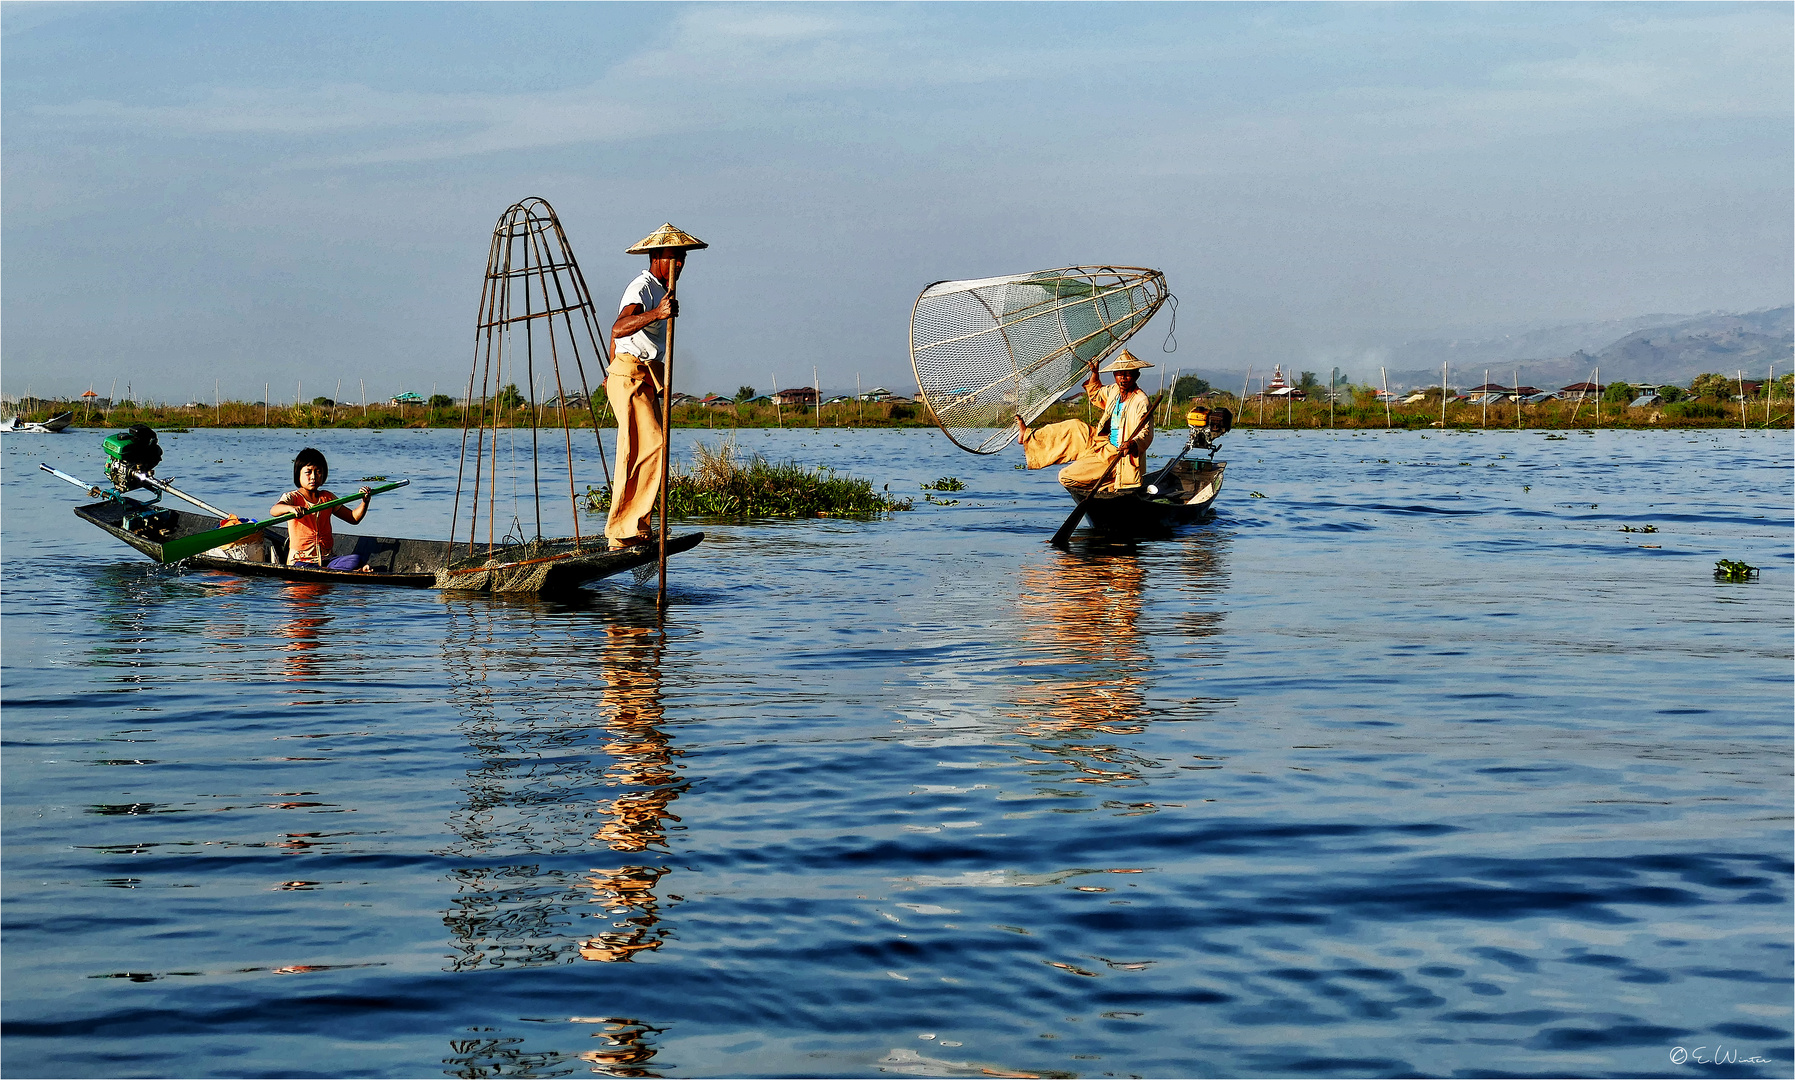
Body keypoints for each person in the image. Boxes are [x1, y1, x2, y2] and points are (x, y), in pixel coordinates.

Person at [607, 222, 707, 550]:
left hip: (642, 376)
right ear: (656, 258)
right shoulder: (643, 286)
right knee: (647, 447)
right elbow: (619, 326)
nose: (679, 263)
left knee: (644, 449)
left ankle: (635, 526)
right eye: (673, 257)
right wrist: (657, 313)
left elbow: (615, 338)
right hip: (632, 376)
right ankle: (624, 529)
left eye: (682, 258)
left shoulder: (660, 290)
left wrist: (612, 368)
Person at [1015, 350, 1156, 495]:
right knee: (1074, 426)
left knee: (1065, 477)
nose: (1123, 378)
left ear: (1136, 375)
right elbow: (1095, 393)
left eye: (1128, 373)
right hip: (1101, 442)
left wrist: (1132, 444)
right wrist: (1095, 374)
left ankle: (1113, 480)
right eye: (1119, 373)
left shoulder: (1141, 401)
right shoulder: (1114, 391)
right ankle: (1027, 435)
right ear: (1115, 375)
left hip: (1118, 455)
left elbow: (1146, 433)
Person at [270, 447, 371, 568]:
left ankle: (335, 569)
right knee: (307, 568)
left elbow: (353, 518)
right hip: (301, 561)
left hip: (327, 559)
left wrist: (364, 502)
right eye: (308, 472)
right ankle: (347, 571)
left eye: (318, 472)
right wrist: (291, 509)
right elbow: (274, 510)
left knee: (356, 559)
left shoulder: (327, 498)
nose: (313, 477)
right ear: (298, 474)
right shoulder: (292, 497)